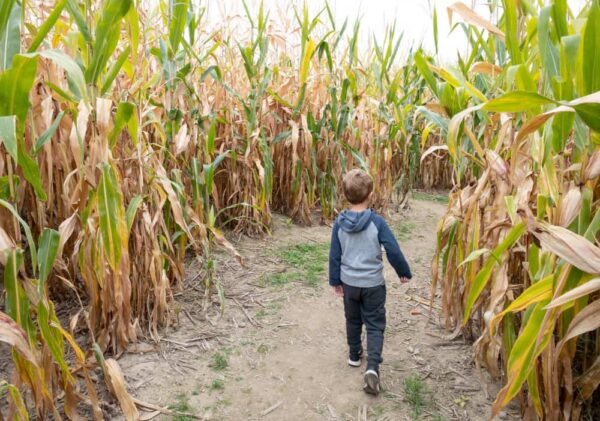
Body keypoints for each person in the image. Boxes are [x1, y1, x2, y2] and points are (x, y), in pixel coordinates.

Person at [328, 169, 412, 395]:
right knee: (375, 324)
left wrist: (335, 280)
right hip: (373, 284)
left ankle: (354, 355)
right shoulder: (377, 222)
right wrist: (403, 271)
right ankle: (372, 368)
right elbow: (392, 249)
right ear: (371, 195)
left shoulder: (339, 223)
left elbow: (334, 254)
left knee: (353, 320)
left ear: (345, 196)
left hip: (350, 284)